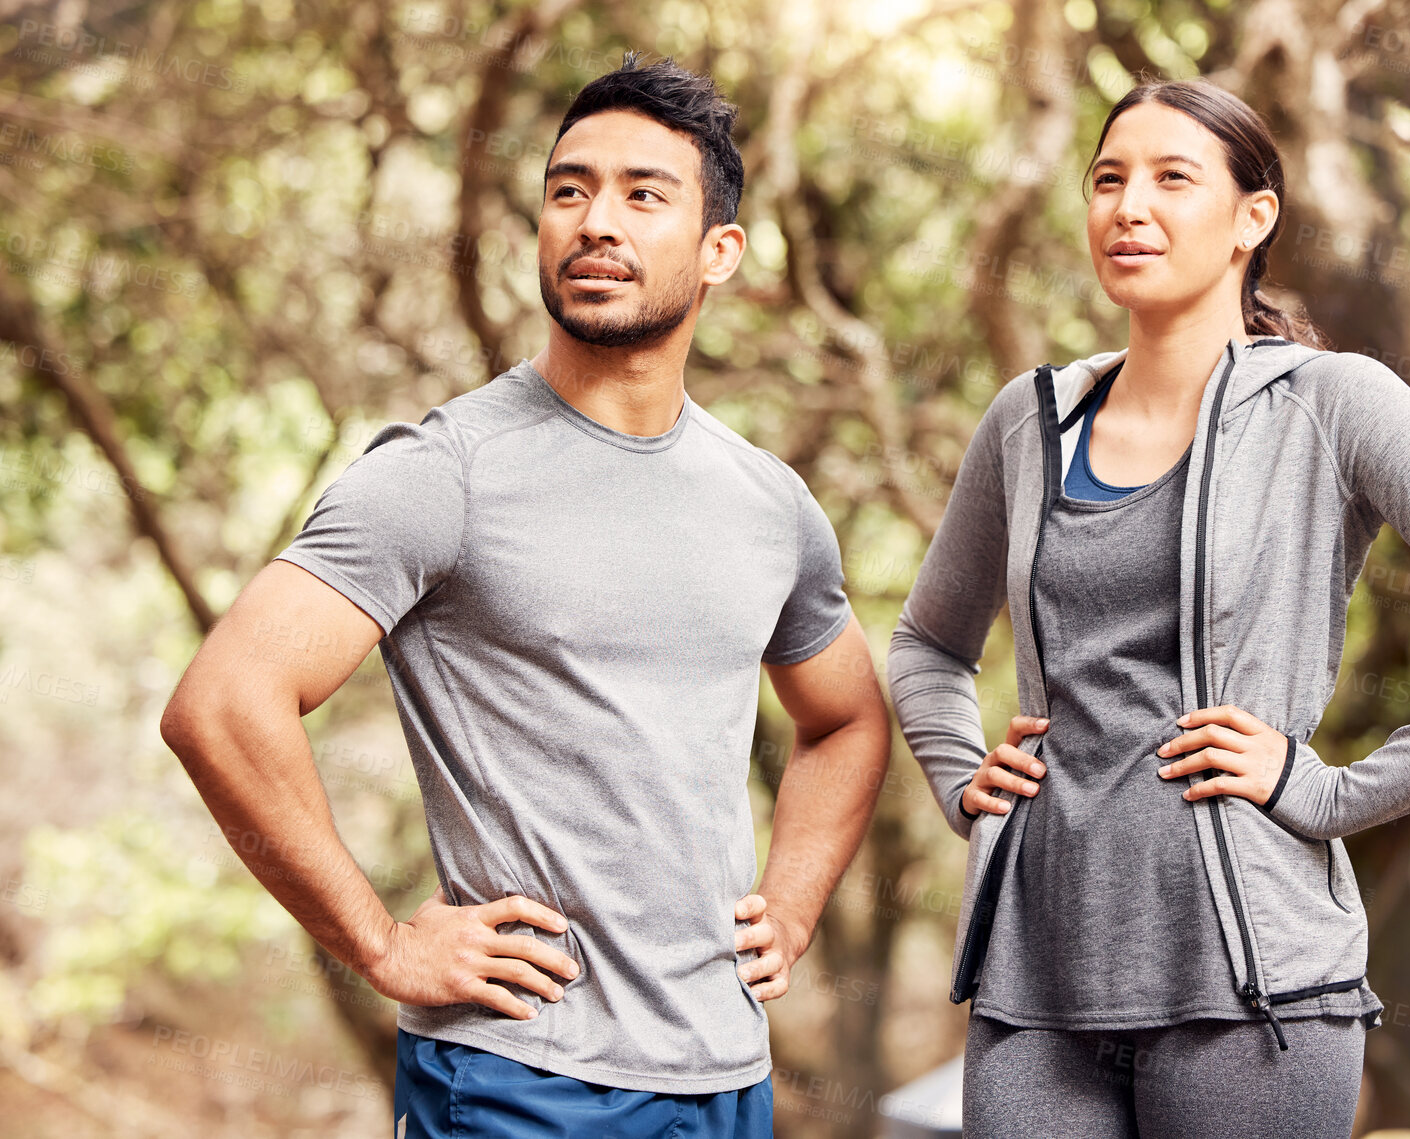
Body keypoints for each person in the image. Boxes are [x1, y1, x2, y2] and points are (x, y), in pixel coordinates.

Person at [160, 54, 891, 1139]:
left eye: (645, 195)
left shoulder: (769, 504)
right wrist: (381, 941)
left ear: (720, 249)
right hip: (520, 1077)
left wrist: (789, 905)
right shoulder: (445, 470)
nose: (597, 220)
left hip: (727, 1071)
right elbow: (220, 705)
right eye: (569, 189)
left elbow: (847, 719)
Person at [887, 78, 1410, 1138]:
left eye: (1172, 178)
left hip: (1252, 989)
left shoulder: (1334, 403)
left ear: (1252, 217)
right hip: (1034, 981)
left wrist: (1330, 793)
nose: (1128, 206)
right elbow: (924, 643)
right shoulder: (1027, 422)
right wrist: (964, 780)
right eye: (1107, 179)